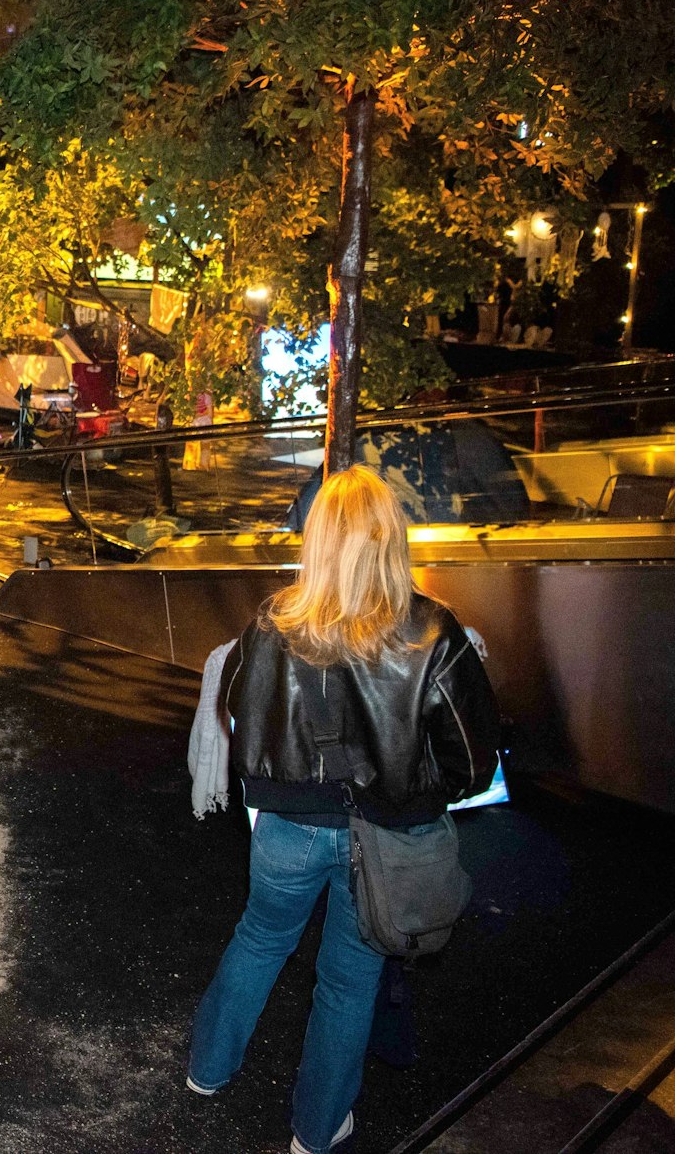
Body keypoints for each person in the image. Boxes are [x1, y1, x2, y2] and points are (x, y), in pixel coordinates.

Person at [188, 466, 497, 1154]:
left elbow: (236, 712)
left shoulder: (272, 620)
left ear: (318, 539)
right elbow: (474, 764)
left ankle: (206, 1069)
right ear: (391, 539)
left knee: (260, 937)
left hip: (286, 830)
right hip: (384, 839)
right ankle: (316, 1130)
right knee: (348, 981)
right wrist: (414, 786)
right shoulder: (434, 633)